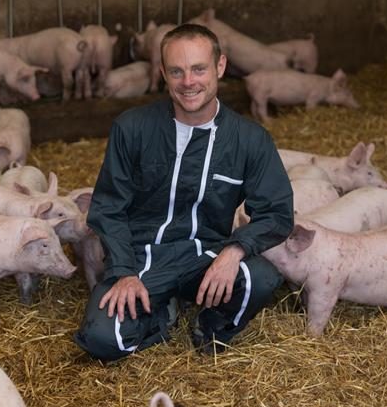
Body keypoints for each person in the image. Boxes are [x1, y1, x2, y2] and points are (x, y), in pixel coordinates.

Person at [74, 23, 293, 360]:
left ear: (220, 66)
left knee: (260, 278)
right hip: (142, 257)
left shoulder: (250, 140)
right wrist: (124, 272)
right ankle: (161, 316)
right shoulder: (131, 128)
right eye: (176, 71)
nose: (188, 82)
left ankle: (212, 325)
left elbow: (277, 212)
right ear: (163, 73)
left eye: (198, 69)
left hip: (207, 256)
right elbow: (108, 208)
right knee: (105, 341)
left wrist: (234, 251)